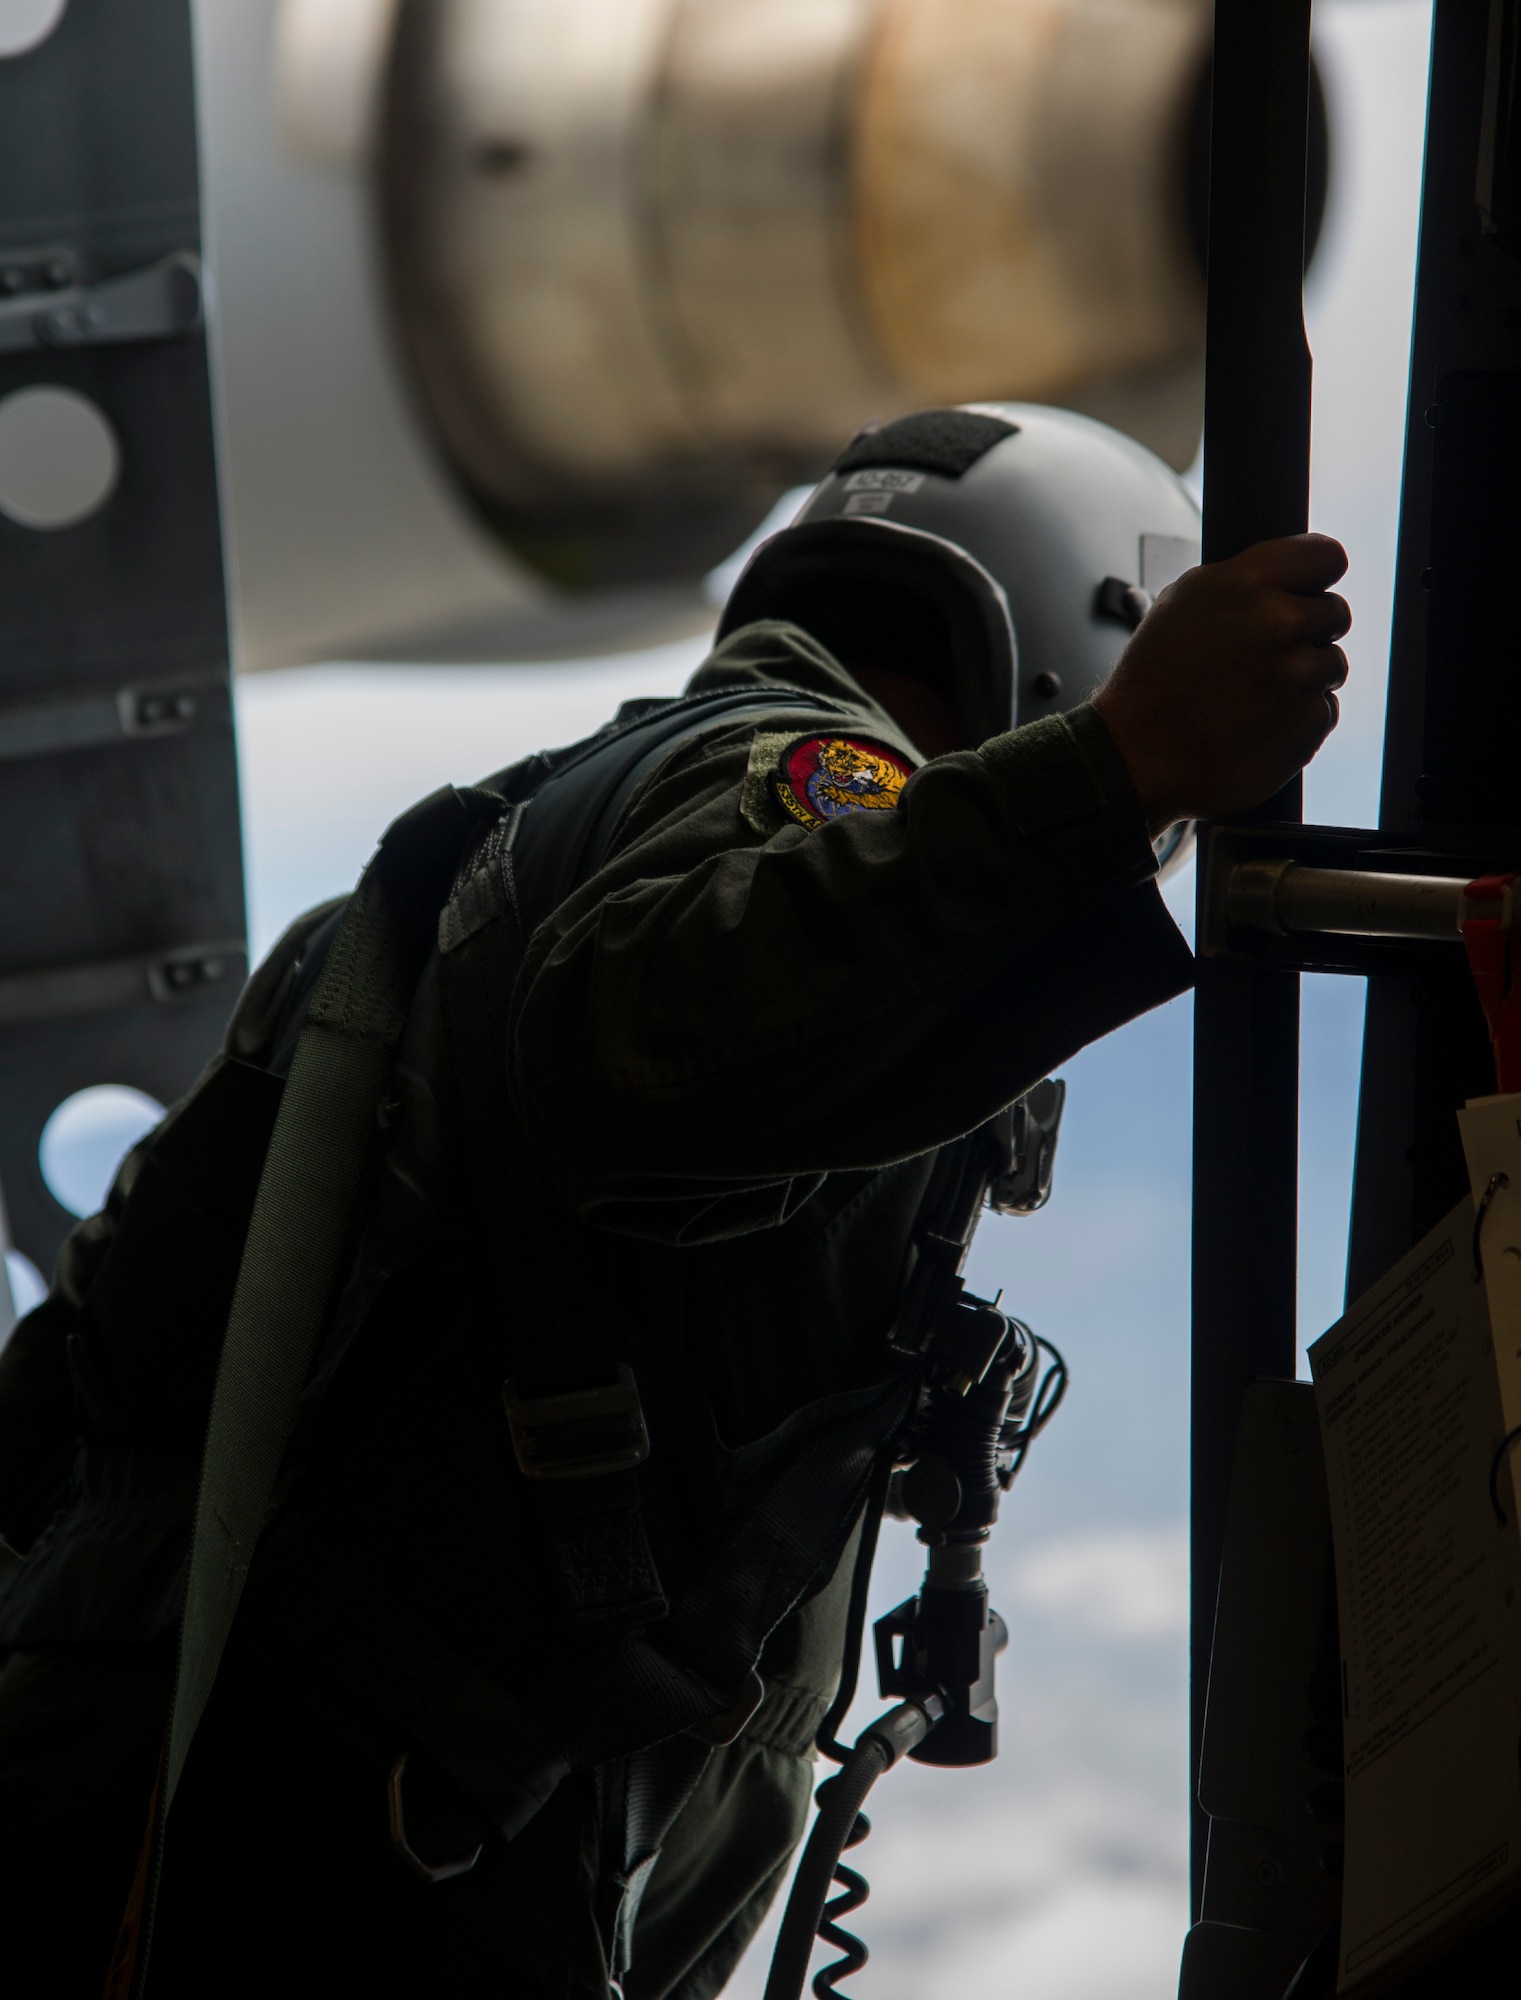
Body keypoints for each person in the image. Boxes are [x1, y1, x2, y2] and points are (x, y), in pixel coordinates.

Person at [0, 405, 1349, 1999]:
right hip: (358, 1867)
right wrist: (1111, 779)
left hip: (127, 1787)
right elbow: (653, 1040)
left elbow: (75, 1386)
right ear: (1083, 650)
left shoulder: (475, 862)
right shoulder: (784, 779)